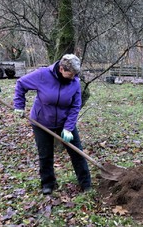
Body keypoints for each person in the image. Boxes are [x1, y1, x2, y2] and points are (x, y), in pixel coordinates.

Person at [13, 54, 91, 195]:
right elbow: (21, 84)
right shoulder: (43, 75)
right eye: (70, 74)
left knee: (77, 152)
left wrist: (68, 127)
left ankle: (86, 184)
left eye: (75, 74)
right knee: (45, 154)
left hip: (64, 121)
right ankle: (48, 183)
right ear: (61, 69)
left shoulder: (75, 82)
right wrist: (19, 105)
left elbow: (75, 105)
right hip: (41, 120)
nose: (73, 77)